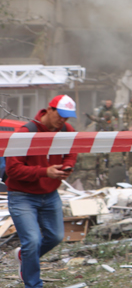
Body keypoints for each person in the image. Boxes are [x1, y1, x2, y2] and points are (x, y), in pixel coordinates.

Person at [6, 95, 78, 288]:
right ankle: (33, 284)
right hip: (22, 195)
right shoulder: (26, 132)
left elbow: (73, 150)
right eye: (60, 115)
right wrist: (45, 172)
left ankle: (24, 256)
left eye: (67, 117)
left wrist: (68, 166)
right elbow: (12, 170)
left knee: (55, 237)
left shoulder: (66, 129)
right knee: (33, 240)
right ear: (49, 110)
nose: (63, 121)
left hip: (49, 194)